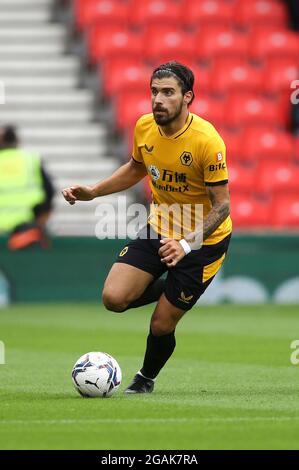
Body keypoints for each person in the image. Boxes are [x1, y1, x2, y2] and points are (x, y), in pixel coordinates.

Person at [62, 61, 232, 394]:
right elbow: (137, 167)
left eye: (168, 92)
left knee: (162, 322)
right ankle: (167, 288)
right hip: (158, 229)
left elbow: (223, 206)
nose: (158, 99)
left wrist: (186, 244)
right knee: (113, 299)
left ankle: (145, 379)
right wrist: (94, 191)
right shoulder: (144, 127)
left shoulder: (207, 141)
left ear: (188, 98)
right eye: (154, 92)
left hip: (203, 242)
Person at [0, 125, 54, 250]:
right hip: (26, 232)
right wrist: (41, 223)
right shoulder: (31, 159)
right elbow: (49, 191)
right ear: (17, 140)